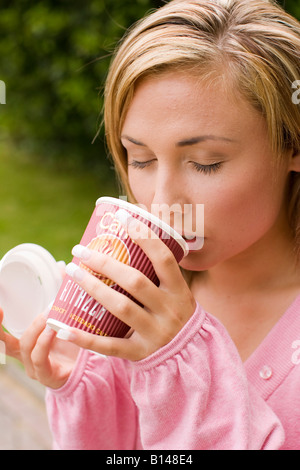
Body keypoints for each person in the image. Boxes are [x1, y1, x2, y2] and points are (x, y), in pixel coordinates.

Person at [1, 0, 300, 450]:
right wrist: (88, 386)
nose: (162, 203)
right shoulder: (142, 305)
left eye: (205, 163)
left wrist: (184, 366)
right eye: (140, 159)